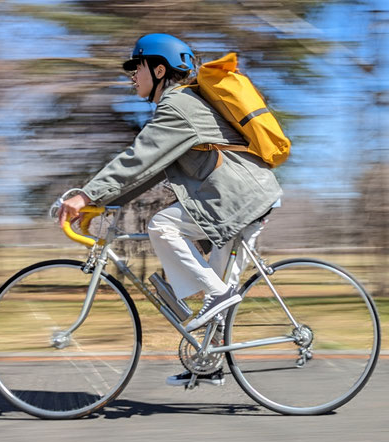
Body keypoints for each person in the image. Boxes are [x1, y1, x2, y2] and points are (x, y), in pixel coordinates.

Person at [57, 33, 283, 387]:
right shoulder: (184, 104)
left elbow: (138, 157)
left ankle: (218, 296)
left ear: (159, 69)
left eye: (137, 67)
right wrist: (103, 203)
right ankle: (209, 364)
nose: (132, 75)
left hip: (239, 199)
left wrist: (86, 195)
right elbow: (151, 169)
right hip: (242, 199)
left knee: (163, 228)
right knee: (214, 291)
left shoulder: (177, 105)